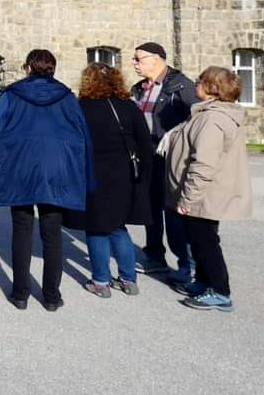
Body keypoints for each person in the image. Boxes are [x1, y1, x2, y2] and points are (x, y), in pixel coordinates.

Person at [0, 49, 94, 312]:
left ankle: (20, 294)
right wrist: (85, 175)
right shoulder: (67, 97)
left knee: (22, 230)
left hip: (19, 168)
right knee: (52, 232)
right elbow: (82, 136)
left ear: (28, 68)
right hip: (56, 171)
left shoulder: (12, 95)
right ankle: (51, 296)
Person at [166, 66, 252, 313]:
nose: (196, 85)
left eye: (199, 81)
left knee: (205, 243)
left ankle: (220, 291)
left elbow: (204, 162)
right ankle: (204, 282)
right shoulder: (209, 113)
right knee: (200, 239)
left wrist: (189, 197)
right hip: (207, 192)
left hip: (205, 193)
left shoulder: (212, 118)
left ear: (212, 87)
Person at [68, 63, 153, 298]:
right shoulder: (128, 107)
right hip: (123, 175)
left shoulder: (81, 107)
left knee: (96, 227)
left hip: (93, 174)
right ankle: (128, 278)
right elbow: (145, 143)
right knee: (117, 226)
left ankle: (101, 281)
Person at [131, 41, 198, 283]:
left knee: (174, 213)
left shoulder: (181, 86)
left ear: (157, 58)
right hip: (147, 156)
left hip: (172, 159)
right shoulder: (139, 88)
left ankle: (186, 265)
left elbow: (198, 118)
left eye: (138, 58)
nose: (134, 63)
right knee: (150, 209)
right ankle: (155, 257)